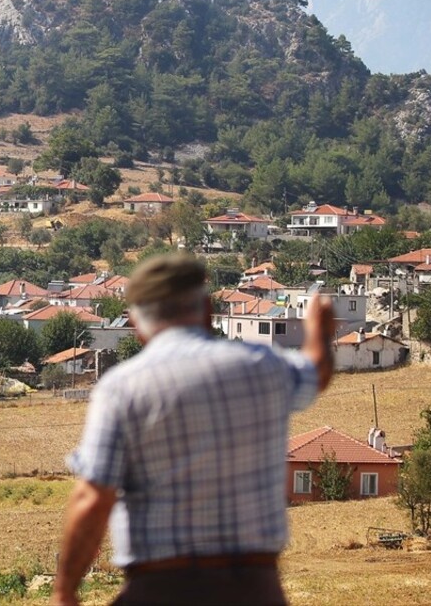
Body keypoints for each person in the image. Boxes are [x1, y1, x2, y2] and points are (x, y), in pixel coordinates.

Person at [52, 253, 335, 606]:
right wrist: (318, 329)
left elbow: (93, 498)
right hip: (254, 589)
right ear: (208, 311)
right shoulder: (264, 368)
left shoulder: (122, 388)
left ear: (135, 324)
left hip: (160, 588)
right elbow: (316, 371)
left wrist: (64, 591)